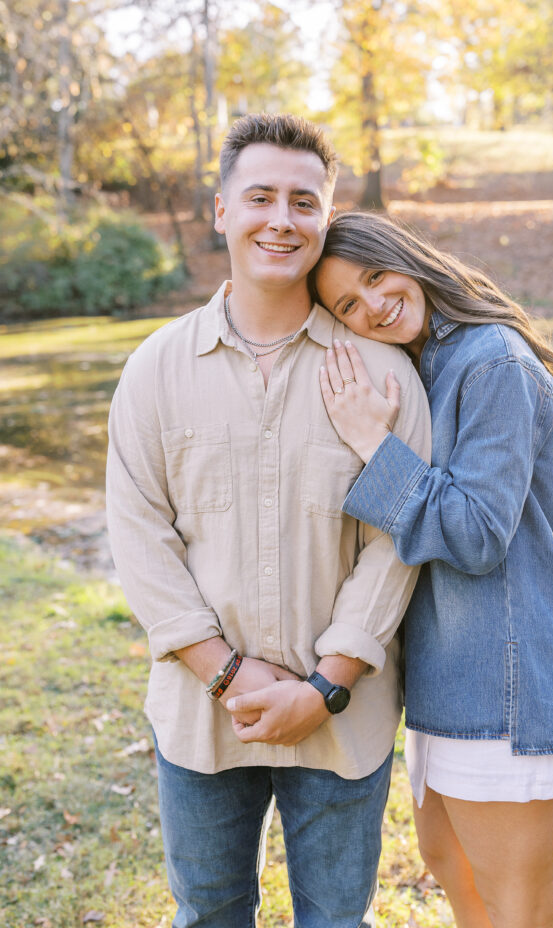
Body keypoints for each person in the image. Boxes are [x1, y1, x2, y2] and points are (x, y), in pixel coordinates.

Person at [106, 115, 431, 928]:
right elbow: (141, 541)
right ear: (221, 210)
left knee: (334, 919)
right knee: (209, 913)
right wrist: (226, 672)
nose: (279, 220)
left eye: (302, 201)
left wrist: (325, 686)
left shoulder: (383, 374)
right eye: (259, 197)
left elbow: (396, 545)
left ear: (326, 218)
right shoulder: (153, 371)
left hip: (342, 719)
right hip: (200, 714)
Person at [313, 210, 553, 928]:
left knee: (514, 905)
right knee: (449, 865)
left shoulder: (491, 359)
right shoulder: (426, 363)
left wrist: (374, 441)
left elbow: (474, 535)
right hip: (446, 676)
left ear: (406, 257)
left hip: (504, 676)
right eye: (347, 304)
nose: (371, 305)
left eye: (375, 277)